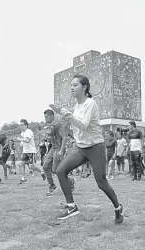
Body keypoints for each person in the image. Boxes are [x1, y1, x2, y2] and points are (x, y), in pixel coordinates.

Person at [49, 74, 123, 223]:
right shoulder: (76, 107)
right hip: (81, 148)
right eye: (71, 85)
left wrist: (65, 113)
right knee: (60, 170)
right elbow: (77, 128)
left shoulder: (91, 103)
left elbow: (83, 124)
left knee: (101, 183)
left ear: (84, 87)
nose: (71, 87)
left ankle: (117, 207)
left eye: (75, 85)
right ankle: (71, 206)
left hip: (95, 148)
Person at [40, 110, 74, 195]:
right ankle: (52, 185)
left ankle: (70, 181)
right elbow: (51, 137)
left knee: (55, 170)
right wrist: (46, 136)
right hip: (53, 148)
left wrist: (61, 150)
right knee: (45, 166)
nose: (45, 119)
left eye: (46, 117)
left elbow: (65, 137)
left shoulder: (58, 124)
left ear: (51, 116)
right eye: (45, 117)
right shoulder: (49, 126)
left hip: (58, 149)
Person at [16, 119, 46, 184]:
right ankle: (23, 179)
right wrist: (20, 145)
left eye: (22, 125)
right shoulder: (22, 133)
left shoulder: (28, 132)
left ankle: (42, 171)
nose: (20, 126)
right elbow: (23, 142)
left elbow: (27, 140)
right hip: (25, 151)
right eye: (20, 125)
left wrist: (20, 139)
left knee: (31, 166)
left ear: (26, 125)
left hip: (31, 151)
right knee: (20, 164)